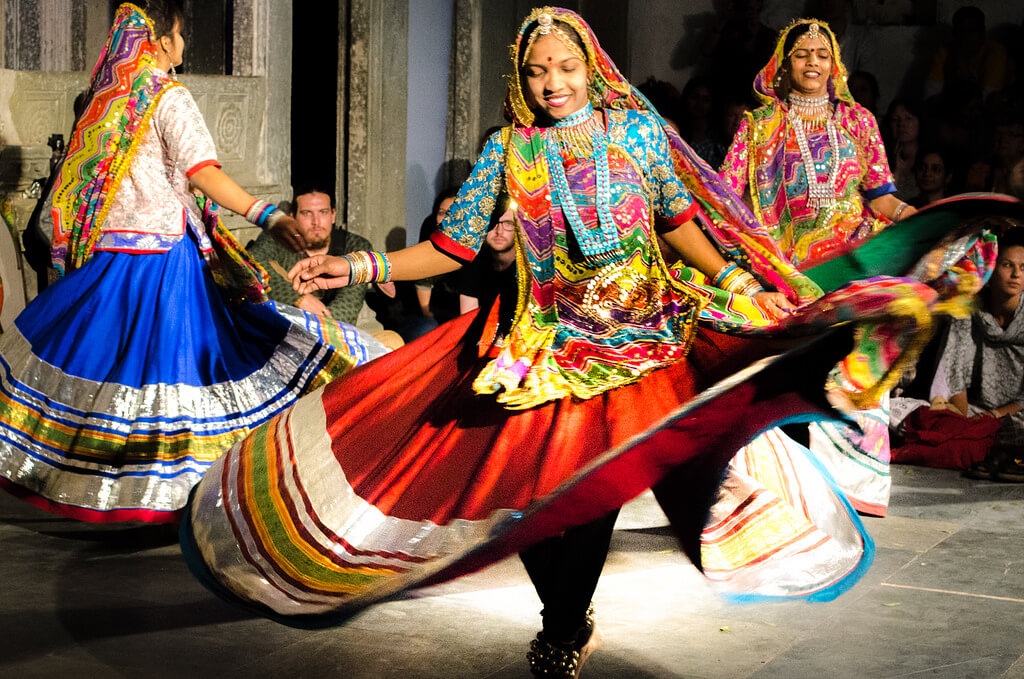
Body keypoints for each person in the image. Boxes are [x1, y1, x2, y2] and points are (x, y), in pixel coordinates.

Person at [181, 8, 999, 676]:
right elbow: (456, 247)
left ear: (591, 66)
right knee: (529, 493)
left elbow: (681, 227)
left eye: (564, 68)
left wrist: (735, 280)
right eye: (537, 72)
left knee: (602, 482)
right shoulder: (510, 149)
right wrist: (358, 262)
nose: (552, 84)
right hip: (541, 343)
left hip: (644, 334)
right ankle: (564, 610)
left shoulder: (637, 136)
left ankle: (565, 622)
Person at [0, 1, 381, 524]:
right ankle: (171, 498)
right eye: (179, 35)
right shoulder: (167, 95)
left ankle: (120, 492)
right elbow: (201, 172)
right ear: (160, 41)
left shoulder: (111, 99)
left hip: (113, 262)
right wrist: (265, 213)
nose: (183, 46)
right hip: (164, 262)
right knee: (179, 375)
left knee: (109, 372)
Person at [719, 18, 918, 517]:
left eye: (822, 54)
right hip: (781, 276)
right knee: (779, 384)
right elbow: (725, 199)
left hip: (848, 269)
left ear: (836, 64)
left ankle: (850, 492)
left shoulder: (859, 122)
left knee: (852, 375)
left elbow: (881, 197)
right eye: (802, 53)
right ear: (783, 64)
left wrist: (918, 220)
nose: (813, 63)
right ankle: (776, 494)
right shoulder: (758, 125)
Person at [247, 184, 373, 325]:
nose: (316, 222)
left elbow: (348, 307)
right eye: (307, 213)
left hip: (336, 331)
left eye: (323, 212)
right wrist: (297, 298)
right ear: (293, 217)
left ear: (333, 215)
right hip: (285, 326)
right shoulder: (280, 239)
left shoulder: (355, 246)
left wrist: (321, 323)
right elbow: (251, 261)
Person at [457, 193, 517, 331]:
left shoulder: (528, 268)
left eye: (508, 224)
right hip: (482, 338)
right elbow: (466, 319)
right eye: (493, 223)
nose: (499, 231)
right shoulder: (474, 263)